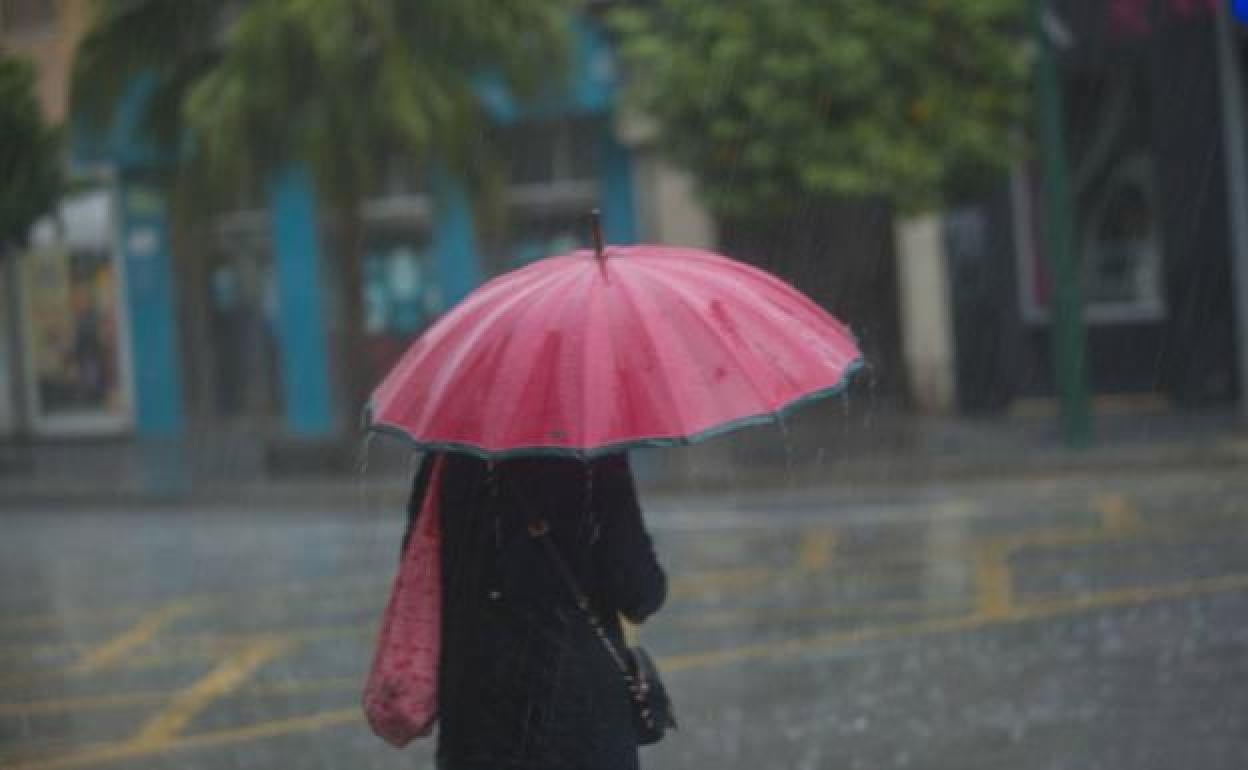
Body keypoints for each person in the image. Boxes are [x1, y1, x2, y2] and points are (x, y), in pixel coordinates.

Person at [402, 450, 668, 770]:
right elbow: (639, 594)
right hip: (578, 711)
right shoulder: (593, 456)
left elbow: (419, 570)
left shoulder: (447, 454)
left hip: (475, 707)